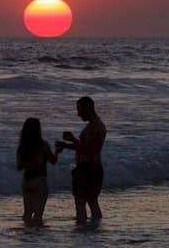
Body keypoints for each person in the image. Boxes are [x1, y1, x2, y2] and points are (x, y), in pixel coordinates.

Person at [56, 96, 106, 224]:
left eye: (79, 110)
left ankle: (83, 228)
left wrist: (72, 140)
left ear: (87, 109)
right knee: (92, 201)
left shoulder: (96, 126)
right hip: (92, 168)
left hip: (88, 168)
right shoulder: (94, 125)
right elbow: (86, 147)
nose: (78, 114)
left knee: (81, 201)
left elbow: (92, 149)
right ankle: (95, 227)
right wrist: (66, 145)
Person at [16, 117, 57, 226]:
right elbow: (53, 161)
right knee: (38, 215)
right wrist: (57, 151)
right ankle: (37, 241)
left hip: (26, 180)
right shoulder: (42, 145)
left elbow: (19, 167)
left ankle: (28, 238)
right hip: (39, 180)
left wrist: (28, 165)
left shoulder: (22, 147)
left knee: (27, 214)